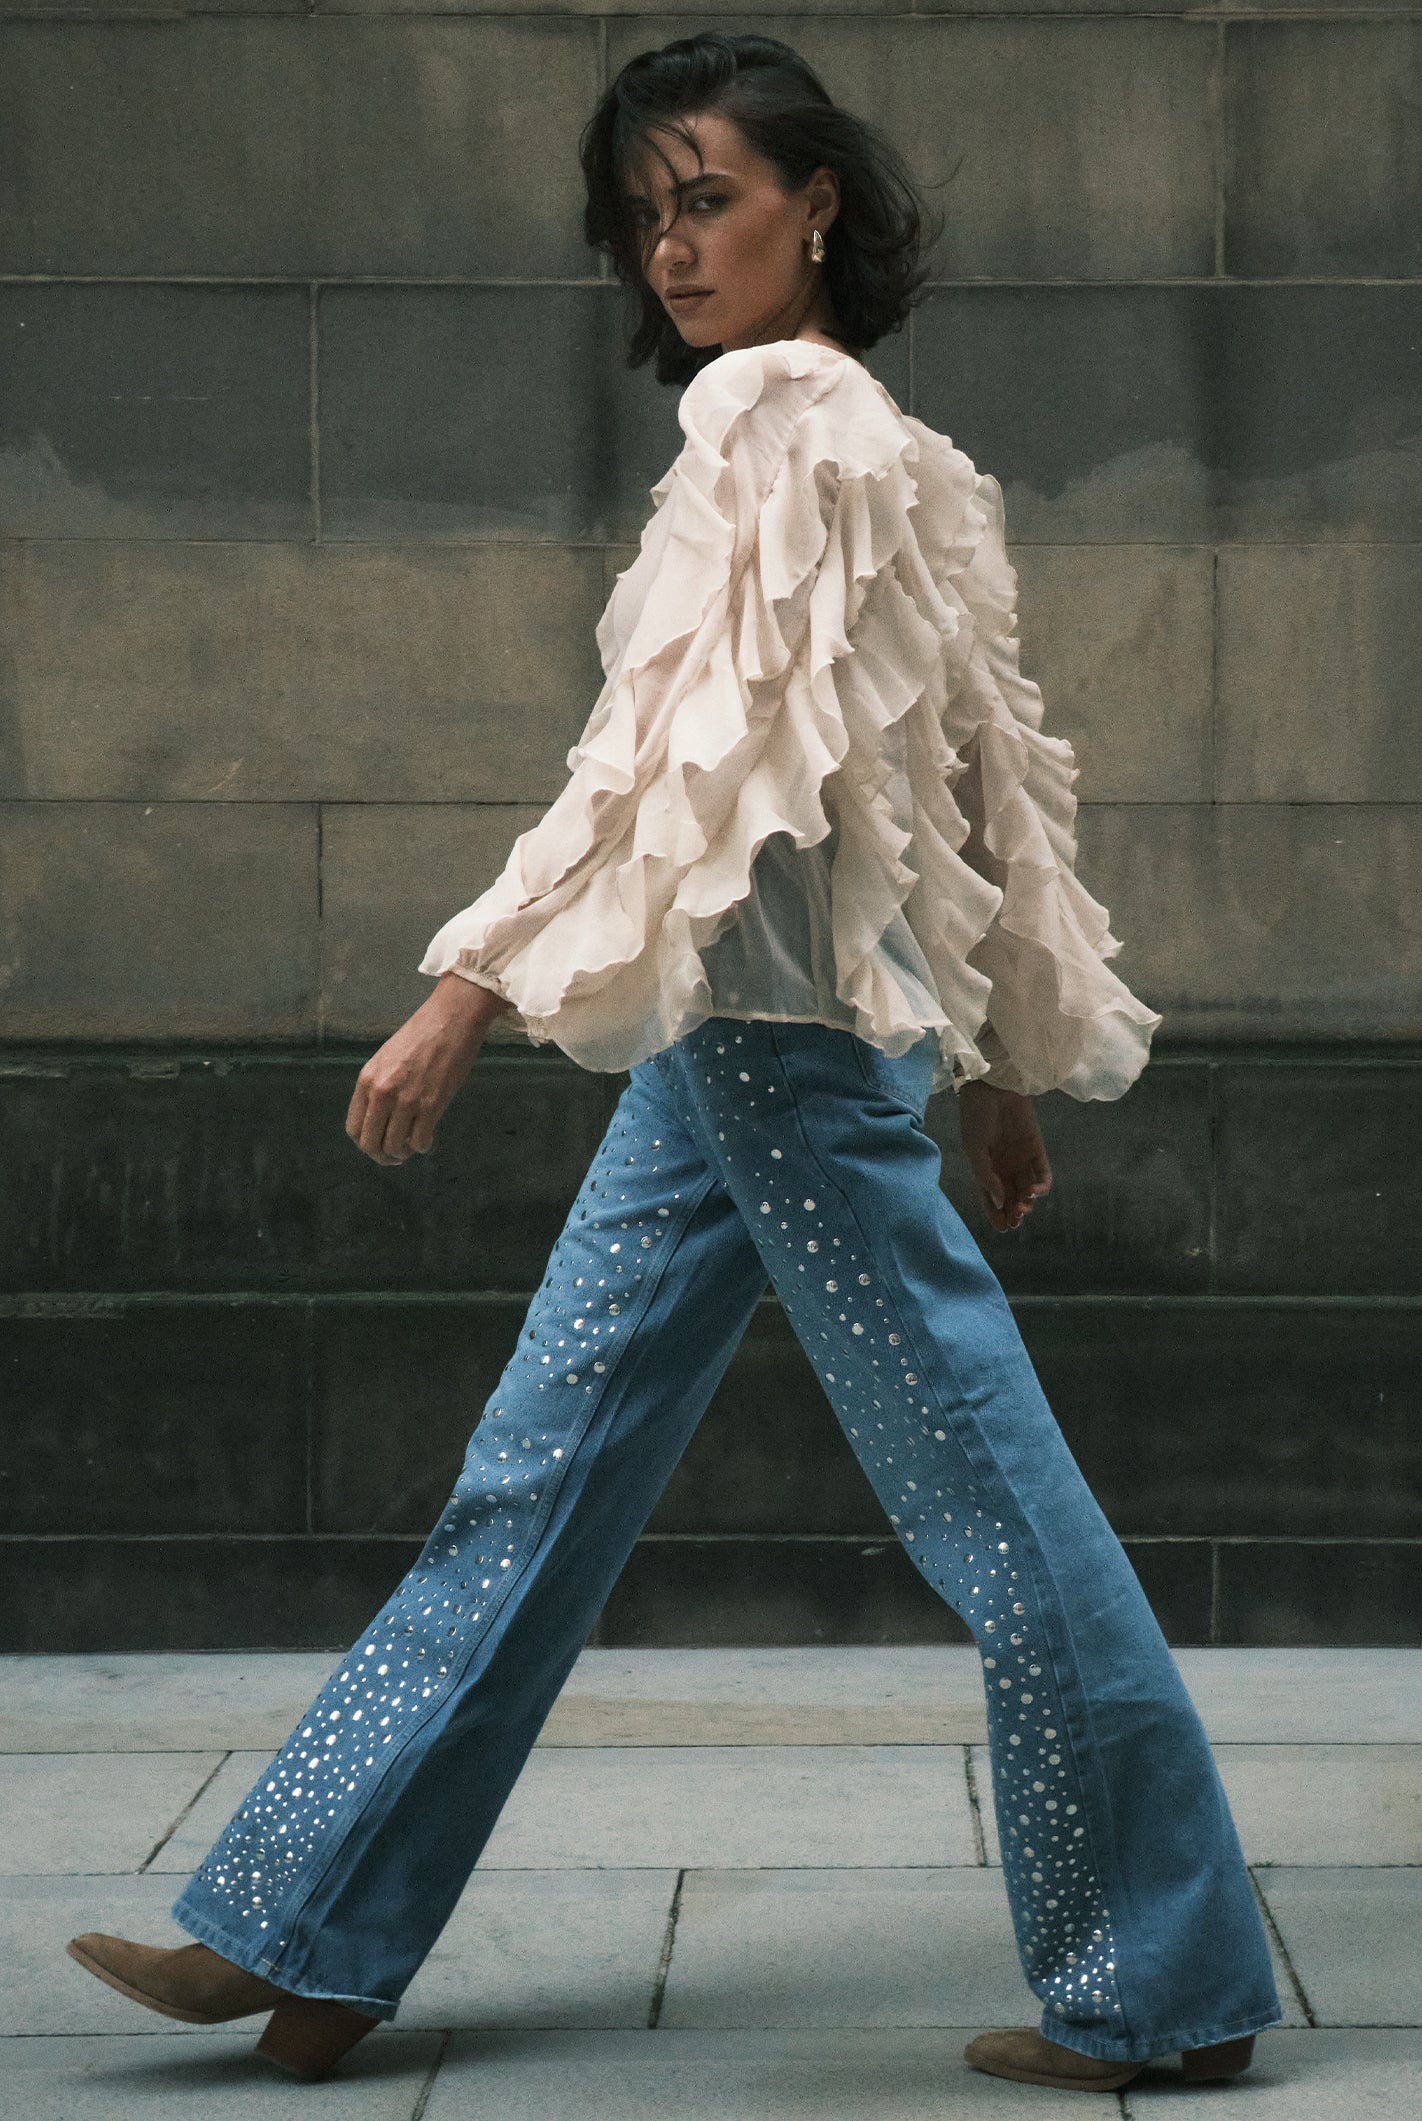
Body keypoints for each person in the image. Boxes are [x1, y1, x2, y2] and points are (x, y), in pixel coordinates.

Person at [66, 31, 1282, 2096]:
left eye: (707, 195)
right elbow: (964, 773)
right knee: (530, 1491)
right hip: (735, 1060)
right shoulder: (879, 437)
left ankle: (1170, 1983)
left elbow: (665, 763)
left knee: (996, 1514)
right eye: (648, 213)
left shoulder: (785, 425)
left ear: (819, 202)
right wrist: (985, 1060)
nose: (672, 245)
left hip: (792, 1072)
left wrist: (467, 980)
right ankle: (308, 1937)